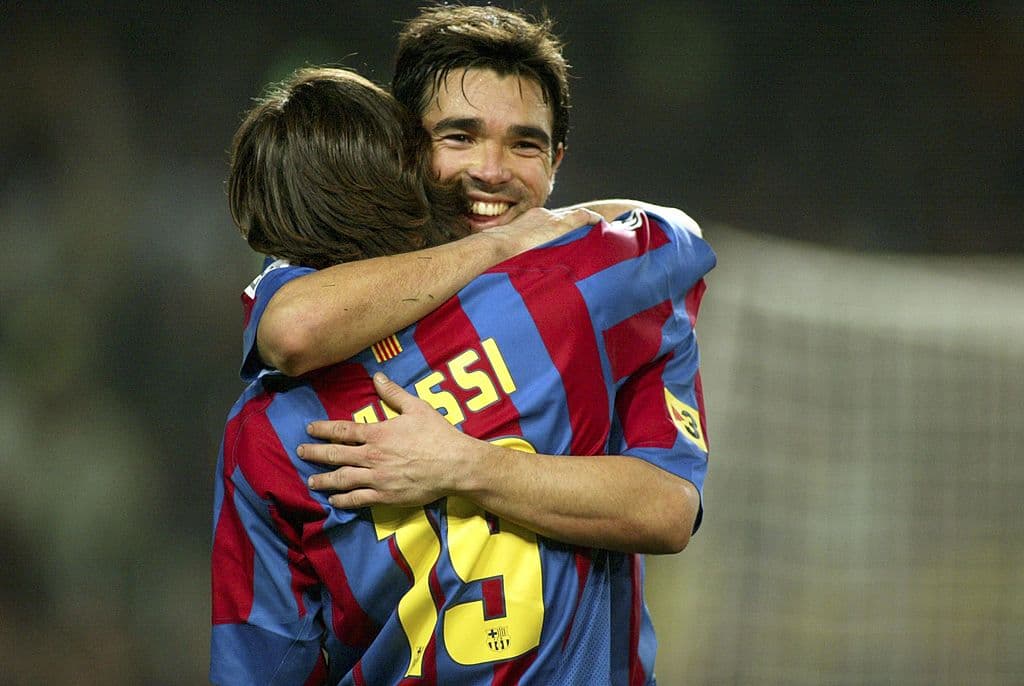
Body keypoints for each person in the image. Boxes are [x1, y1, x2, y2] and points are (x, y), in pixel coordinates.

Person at [210, 67, 714, 683]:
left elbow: (263, 663)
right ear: (407, 164)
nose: (490, 171)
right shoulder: (566, 296)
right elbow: (678, 242)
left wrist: (465, 465)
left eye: (522, 144)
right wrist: (536, 236)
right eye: (459, 138)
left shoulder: (262, 431)